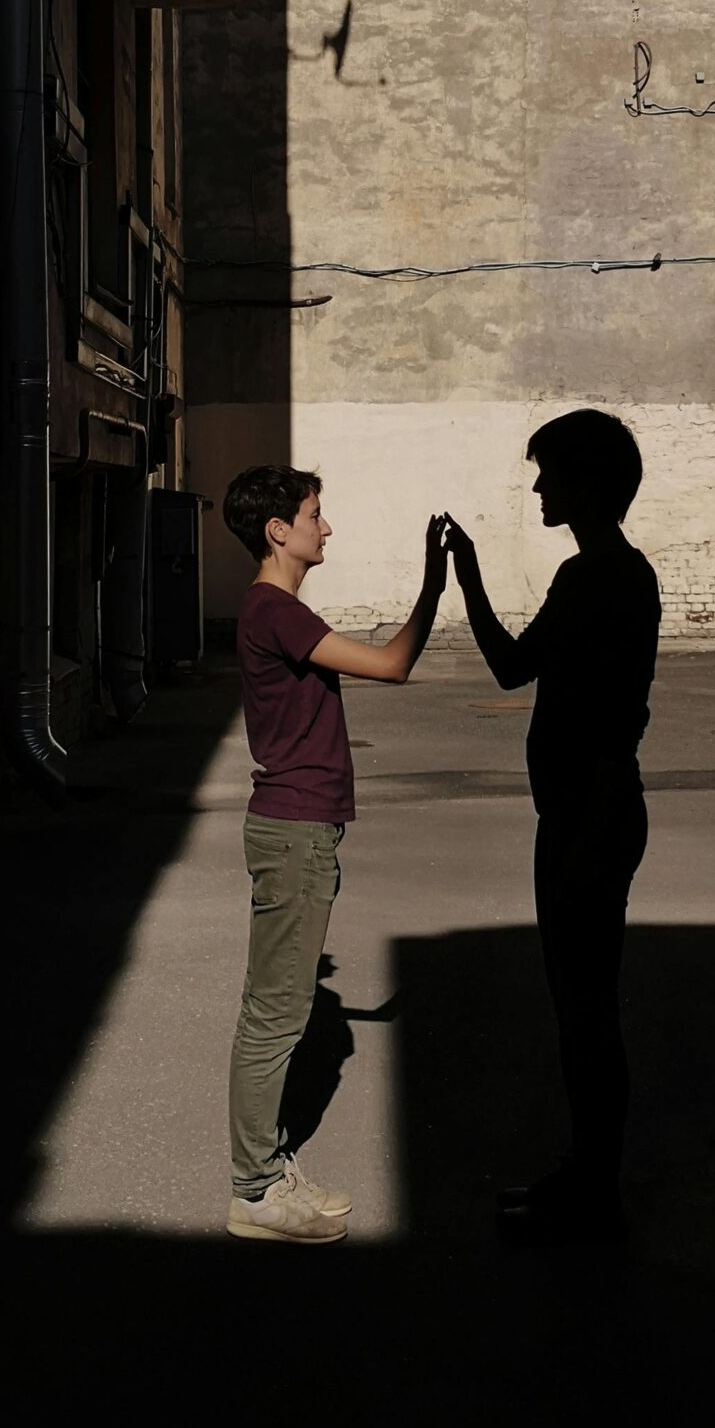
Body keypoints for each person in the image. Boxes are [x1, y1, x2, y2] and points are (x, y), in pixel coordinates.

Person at [443, 411, 659, 1242]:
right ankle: (589, 1178)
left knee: (586, 1011)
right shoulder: (613, 574)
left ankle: (593, 1190)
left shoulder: (599, 578)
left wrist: (466, 576)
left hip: (590, 816)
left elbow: (512, 671)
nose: (538, 488)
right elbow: (521, 674)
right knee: (584, 1008)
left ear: (589, 484)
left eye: (552, 475)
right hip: (585, 810)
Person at [220, 464, 448, 1243]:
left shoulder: (276, 610)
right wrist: (433, 583)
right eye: (316, 514)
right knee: (275, 1016)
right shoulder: (274, 610)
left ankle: (268, 1166)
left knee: (279, 1009)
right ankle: (253, 1193)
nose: (327, 527)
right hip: (293, 832)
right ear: (277, 531)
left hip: (297, 830)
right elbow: (391, 664)